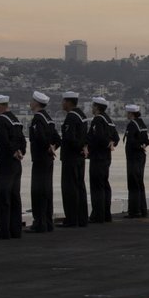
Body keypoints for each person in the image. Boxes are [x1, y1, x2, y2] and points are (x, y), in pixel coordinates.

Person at [0, 95, 25, 240]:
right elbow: (22, 140)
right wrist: (20, 151)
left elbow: (3, 140)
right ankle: (15, 229)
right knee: (15, 196)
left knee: (3, 197)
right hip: (17, 163)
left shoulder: (2, 121)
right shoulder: (15, 120)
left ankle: (3, 230)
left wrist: (12, 151)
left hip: (6, 164)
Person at [27, 91, 59, 233]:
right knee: (47, 190)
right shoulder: (49, 119)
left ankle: (39, 223)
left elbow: (39, 137)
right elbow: (58, 139)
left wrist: (47, 146)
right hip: (48, 160)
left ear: (36, 103)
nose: (30, 103)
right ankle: (47, 221)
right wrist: (53, 147)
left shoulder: (38, 119)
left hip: (40, 159)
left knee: (38, 191)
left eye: (32, 101)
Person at [87, 97, 119, 223]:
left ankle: (97, 215)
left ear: (97, 107)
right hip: (106, 158)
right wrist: (110, 143)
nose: (92, 108)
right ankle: (106, 214)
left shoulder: (98, 120)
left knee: (97, 187)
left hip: (97, 157)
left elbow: (98, 137)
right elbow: (116, 138)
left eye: (93, 106)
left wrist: (105, 143)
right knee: (105, 185)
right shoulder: (109, 120)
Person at [59, 92, 89, 228]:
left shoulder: (71, 117)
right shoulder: (82, 116)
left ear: (68, 102)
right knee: (80, 187)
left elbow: (70, 138)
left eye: (63, 101)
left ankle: (71, 218)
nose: (62, 103)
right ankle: (82, 217)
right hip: (80, 157)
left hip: (71, 157)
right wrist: (83, 147)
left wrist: (78, 147)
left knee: (70, 188)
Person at [123, 104, 149, 218]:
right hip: (141, 156)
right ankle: (143, 209)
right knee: (140, 183)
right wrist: (142, 146)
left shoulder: (132, 125)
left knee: (133, 183)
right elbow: (147, 140)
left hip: (133, 157)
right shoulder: (141, 123)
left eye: (127, 113)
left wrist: (138, 146)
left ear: (131, 114)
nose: (127, 115)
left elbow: (132, 142)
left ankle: (134, 211)